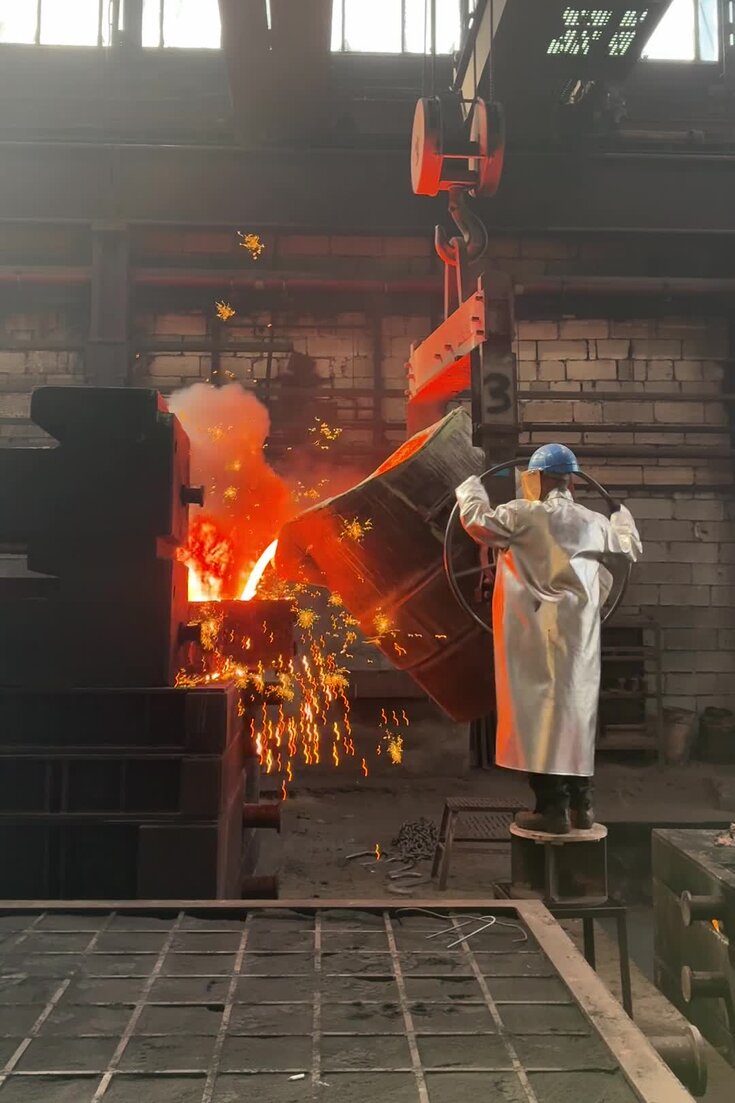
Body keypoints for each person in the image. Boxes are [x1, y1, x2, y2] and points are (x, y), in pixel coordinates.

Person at [455, 443, 642, 835]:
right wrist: (621, 515)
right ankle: (582, 807)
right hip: (578, 639)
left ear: (537, 479)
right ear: (571, 482)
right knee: (575, 715)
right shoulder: (594, 522)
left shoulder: (521, 515)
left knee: (538, 718)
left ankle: (551, 809)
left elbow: (476, 521)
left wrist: (470, 486)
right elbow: (629, 548)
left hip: (533, 635)